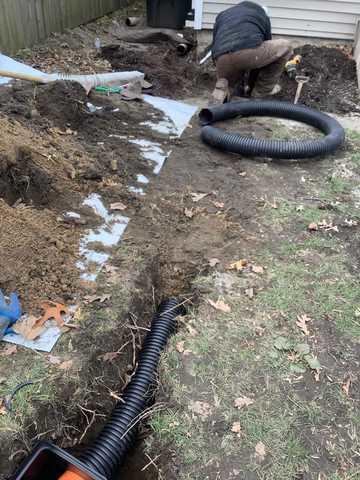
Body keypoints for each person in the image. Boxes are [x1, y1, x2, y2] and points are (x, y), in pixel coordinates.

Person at [211, 1, 293, 103]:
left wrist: (221, 72)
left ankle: (224, 88)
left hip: (221, 59)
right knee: (286, 46)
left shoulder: (223, 15)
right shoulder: (263, 16)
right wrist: (252, 86)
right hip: (247, 55)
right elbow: (265, 56)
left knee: (232, 84)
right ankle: (261, 92)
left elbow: (214, 45)